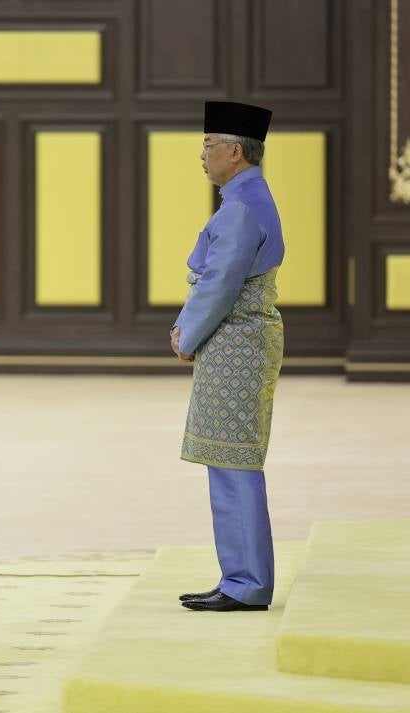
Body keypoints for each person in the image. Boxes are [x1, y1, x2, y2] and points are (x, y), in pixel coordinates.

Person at [171, 101, 285, 613]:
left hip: (235, 340)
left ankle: (245, 583)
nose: (202, 154)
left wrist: (186, 335)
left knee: (233, 460)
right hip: (236, 340)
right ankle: (240, 578)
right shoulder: (246, 197)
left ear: (235, 152)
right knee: (229, 457)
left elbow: (219, 284)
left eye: (209, 144)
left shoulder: (240, 207)